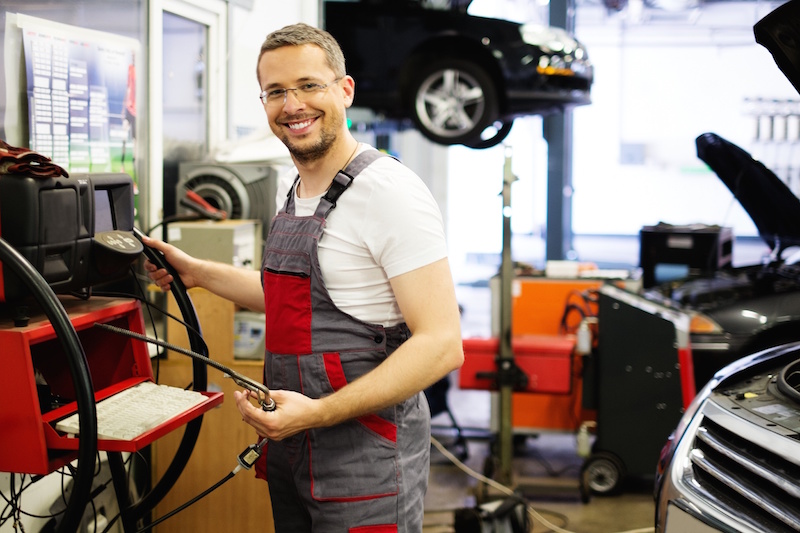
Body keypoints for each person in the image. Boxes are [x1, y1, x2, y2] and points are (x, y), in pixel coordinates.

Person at [143, 22, 464, 532]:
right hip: (294, 450)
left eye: (309, 85)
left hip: (367, 456)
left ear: (345, 89)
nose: (292, 105)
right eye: (276, 92)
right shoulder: (294, 191)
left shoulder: (389, 191)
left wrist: (314, 413)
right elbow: (295, 300)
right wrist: (197, 271)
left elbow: (443, 343)